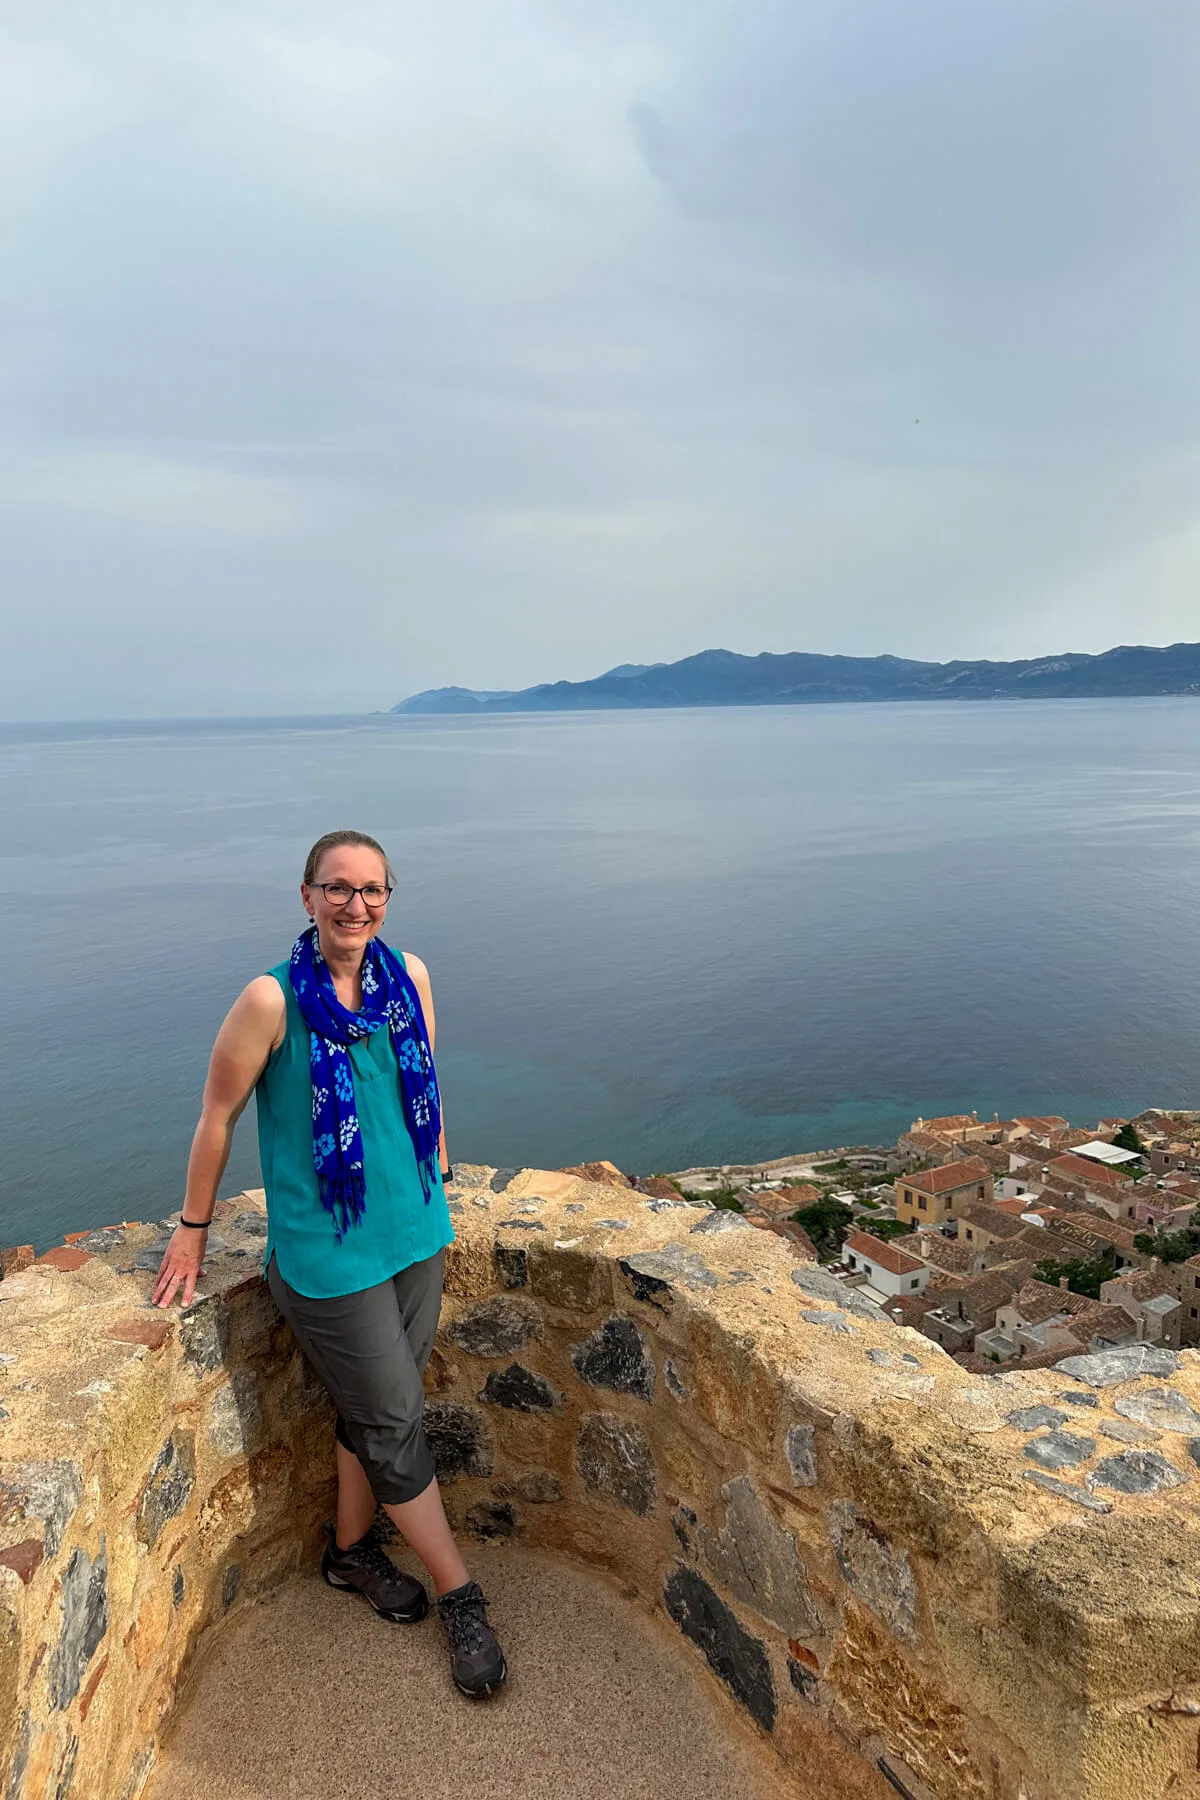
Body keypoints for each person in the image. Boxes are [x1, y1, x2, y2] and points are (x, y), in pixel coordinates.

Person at [152, 828, 507, 1699]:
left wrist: (444, 1178)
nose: (357, 905)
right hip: (328, 1253)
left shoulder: (407, 977)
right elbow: (217, 1117)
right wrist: (194, 1226)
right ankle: (462, 1594)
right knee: (391, 1421)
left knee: (374, 1410)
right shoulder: (271, 1002)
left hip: (416, 1233)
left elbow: (422, 1080)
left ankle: (348, 1556)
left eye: (373, 890)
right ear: (306, 896)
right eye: (338, 888)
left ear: (389, 897)